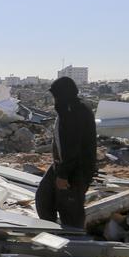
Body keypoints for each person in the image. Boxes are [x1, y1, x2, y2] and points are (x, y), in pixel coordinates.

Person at [36, 76, 97, 228]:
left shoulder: (74, 111)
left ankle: (74, 244)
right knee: (44, 197)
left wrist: (63, 175)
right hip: (61, 164)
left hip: (75, 169)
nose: (54, 99)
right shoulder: (70, 107)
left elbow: (73, 146)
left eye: (55, 95)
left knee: (70, 211)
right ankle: (51, 232)